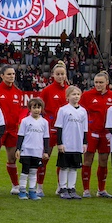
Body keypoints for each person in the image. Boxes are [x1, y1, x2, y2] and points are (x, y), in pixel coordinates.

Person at [37, 61, 72, 190]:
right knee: (45, 157)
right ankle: (39, 187)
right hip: (50, 129)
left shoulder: (70, 90)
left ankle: (60, 186)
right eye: (58, 74)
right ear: (53, 75)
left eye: (62, 74)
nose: (60, 76)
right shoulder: (47, 90)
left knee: (63, 160)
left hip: (66, 130)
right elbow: (40, 107)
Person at [80, 71, 112, 198]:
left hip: (106, 134)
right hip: (91, 133)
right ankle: (86, 190)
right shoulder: (87, 95)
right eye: (96, 82)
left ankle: (102, 190)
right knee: (88, 160)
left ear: (107, 83)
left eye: (101, 82)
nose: (98, 85)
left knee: (104, 160)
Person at [0, 66, 28, 196]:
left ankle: (15, 185)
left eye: (13, 74)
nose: (11, 76)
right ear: (2, 75)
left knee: (12, 158)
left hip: (13, 130)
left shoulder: (18, 92)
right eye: (8, 74)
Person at [53, 86, 89, 199]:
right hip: (66, 144)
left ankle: (71, 188)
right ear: (67, 97)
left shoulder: (83, 111)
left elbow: (84, 129)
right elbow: (59, 127)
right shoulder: (63, 110)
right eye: (73, 94)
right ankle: (62, 188)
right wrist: (60, 143)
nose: (76, 96)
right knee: (64, 167)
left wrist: (84, 143)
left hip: (77, 144)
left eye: (78, 94)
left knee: (74, 167)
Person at [17, 98, 51, 200]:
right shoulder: (25, 121)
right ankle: (22, 191)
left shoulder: (44, 122)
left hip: (37, 151)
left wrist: (46, 151)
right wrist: (18, 149)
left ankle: (32, 191)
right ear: (29, 109)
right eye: (34, 107)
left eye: (39, 107)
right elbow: (20, 136)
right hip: (26, 150)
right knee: (25, 171)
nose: (36, 110)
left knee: (33, 171)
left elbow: (46, 137)